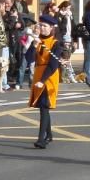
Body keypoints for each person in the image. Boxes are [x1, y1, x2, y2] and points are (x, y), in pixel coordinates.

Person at [29, 15, 62, 149]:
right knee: (43, 107)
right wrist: (33, 46)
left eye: (45, 26)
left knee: (44, 106)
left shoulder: (55, 43)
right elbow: (29, 58)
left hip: (49, 77)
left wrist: (43, 80)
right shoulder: (38, 41)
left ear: (51, 28)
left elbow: (53, 65)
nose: (42, 28)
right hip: (38, 74)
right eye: (40, 25)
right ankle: (49, 134)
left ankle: (41, 139)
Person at [55, 1, 77, 84]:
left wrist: (75, 40)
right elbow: (60, 28)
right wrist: (64, 17)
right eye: (68, 8)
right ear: (63, 8)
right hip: (63, 38)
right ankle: (64, 77)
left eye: (70, 8)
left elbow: (73, 27)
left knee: (67, 58)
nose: (69, 10)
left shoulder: (70, 15)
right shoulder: (59, 15)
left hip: (69, 37)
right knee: (64, 58)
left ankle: (67, 76)